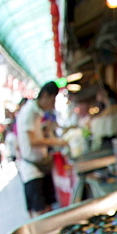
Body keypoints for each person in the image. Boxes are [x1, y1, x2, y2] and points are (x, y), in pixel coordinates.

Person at [17, 82, 68, 217]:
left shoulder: (36, 112)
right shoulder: (29, 111)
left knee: (48, 208)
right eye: (53, 99)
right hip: (32, 170)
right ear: (45, 95)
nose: (53, 104)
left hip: (41, 166)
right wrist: (58, 142)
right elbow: (32, 141)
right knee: (40, 211)